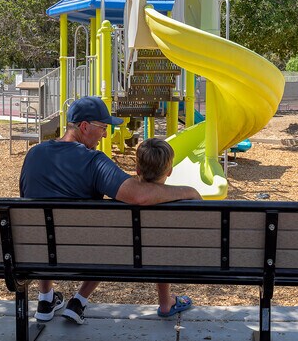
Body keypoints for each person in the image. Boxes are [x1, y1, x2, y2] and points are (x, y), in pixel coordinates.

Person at [19, 96, 201, 325]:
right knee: (112, 238)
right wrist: (188, 191)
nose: (105, 134)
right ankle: (79, 300)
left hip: (34, 253)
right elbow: (139, 195)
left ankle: (45, 299)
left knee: (44, 227)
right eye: (103, 128)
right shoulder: (93, 161)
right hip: (83, 255)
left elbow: (28, 204)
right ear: (84, 126)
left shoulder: (34, 154)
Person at [135, 138, 193, 317]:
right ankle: (166, 302)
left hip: (130, 258)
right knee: (163, 249)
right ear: (169, 171)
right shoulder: (183, 199)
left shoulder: (124, 198)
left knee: (160, 248)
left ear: (137, 170)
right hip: (175, 258)